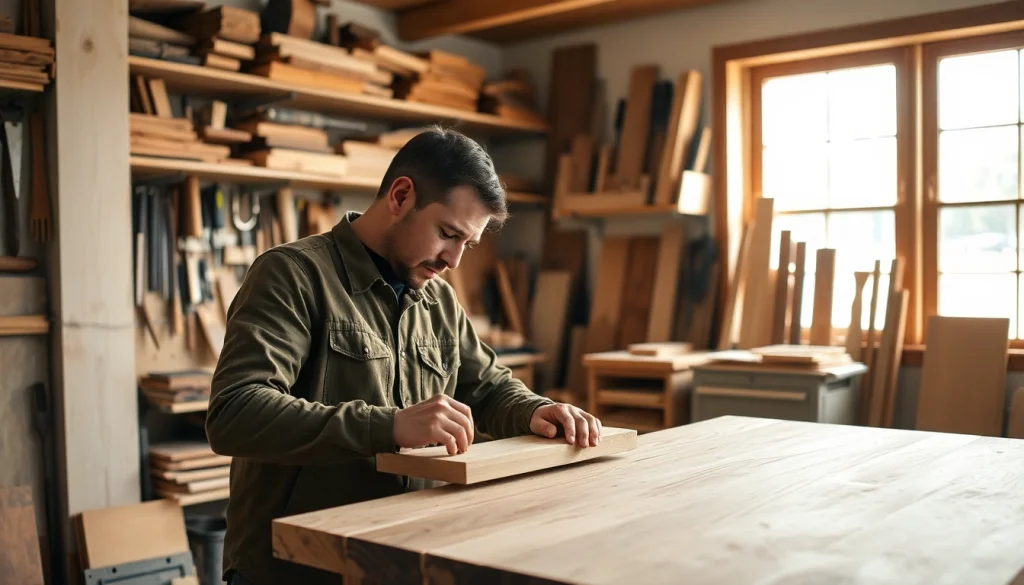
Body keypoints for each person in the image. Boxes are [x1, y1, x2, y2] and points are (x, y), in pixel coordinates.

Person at [206, 126, 603, 585]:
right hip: (294, 568)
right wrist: (389, 426)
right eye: (447, 233)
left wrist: (536, 410)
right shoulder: (293, 275)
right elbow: (236, 411)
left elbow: (487, 388)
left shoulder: (439, 299)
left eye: (466, 245)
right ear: (400, 196)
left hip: (402, 559)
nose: (453, 260)